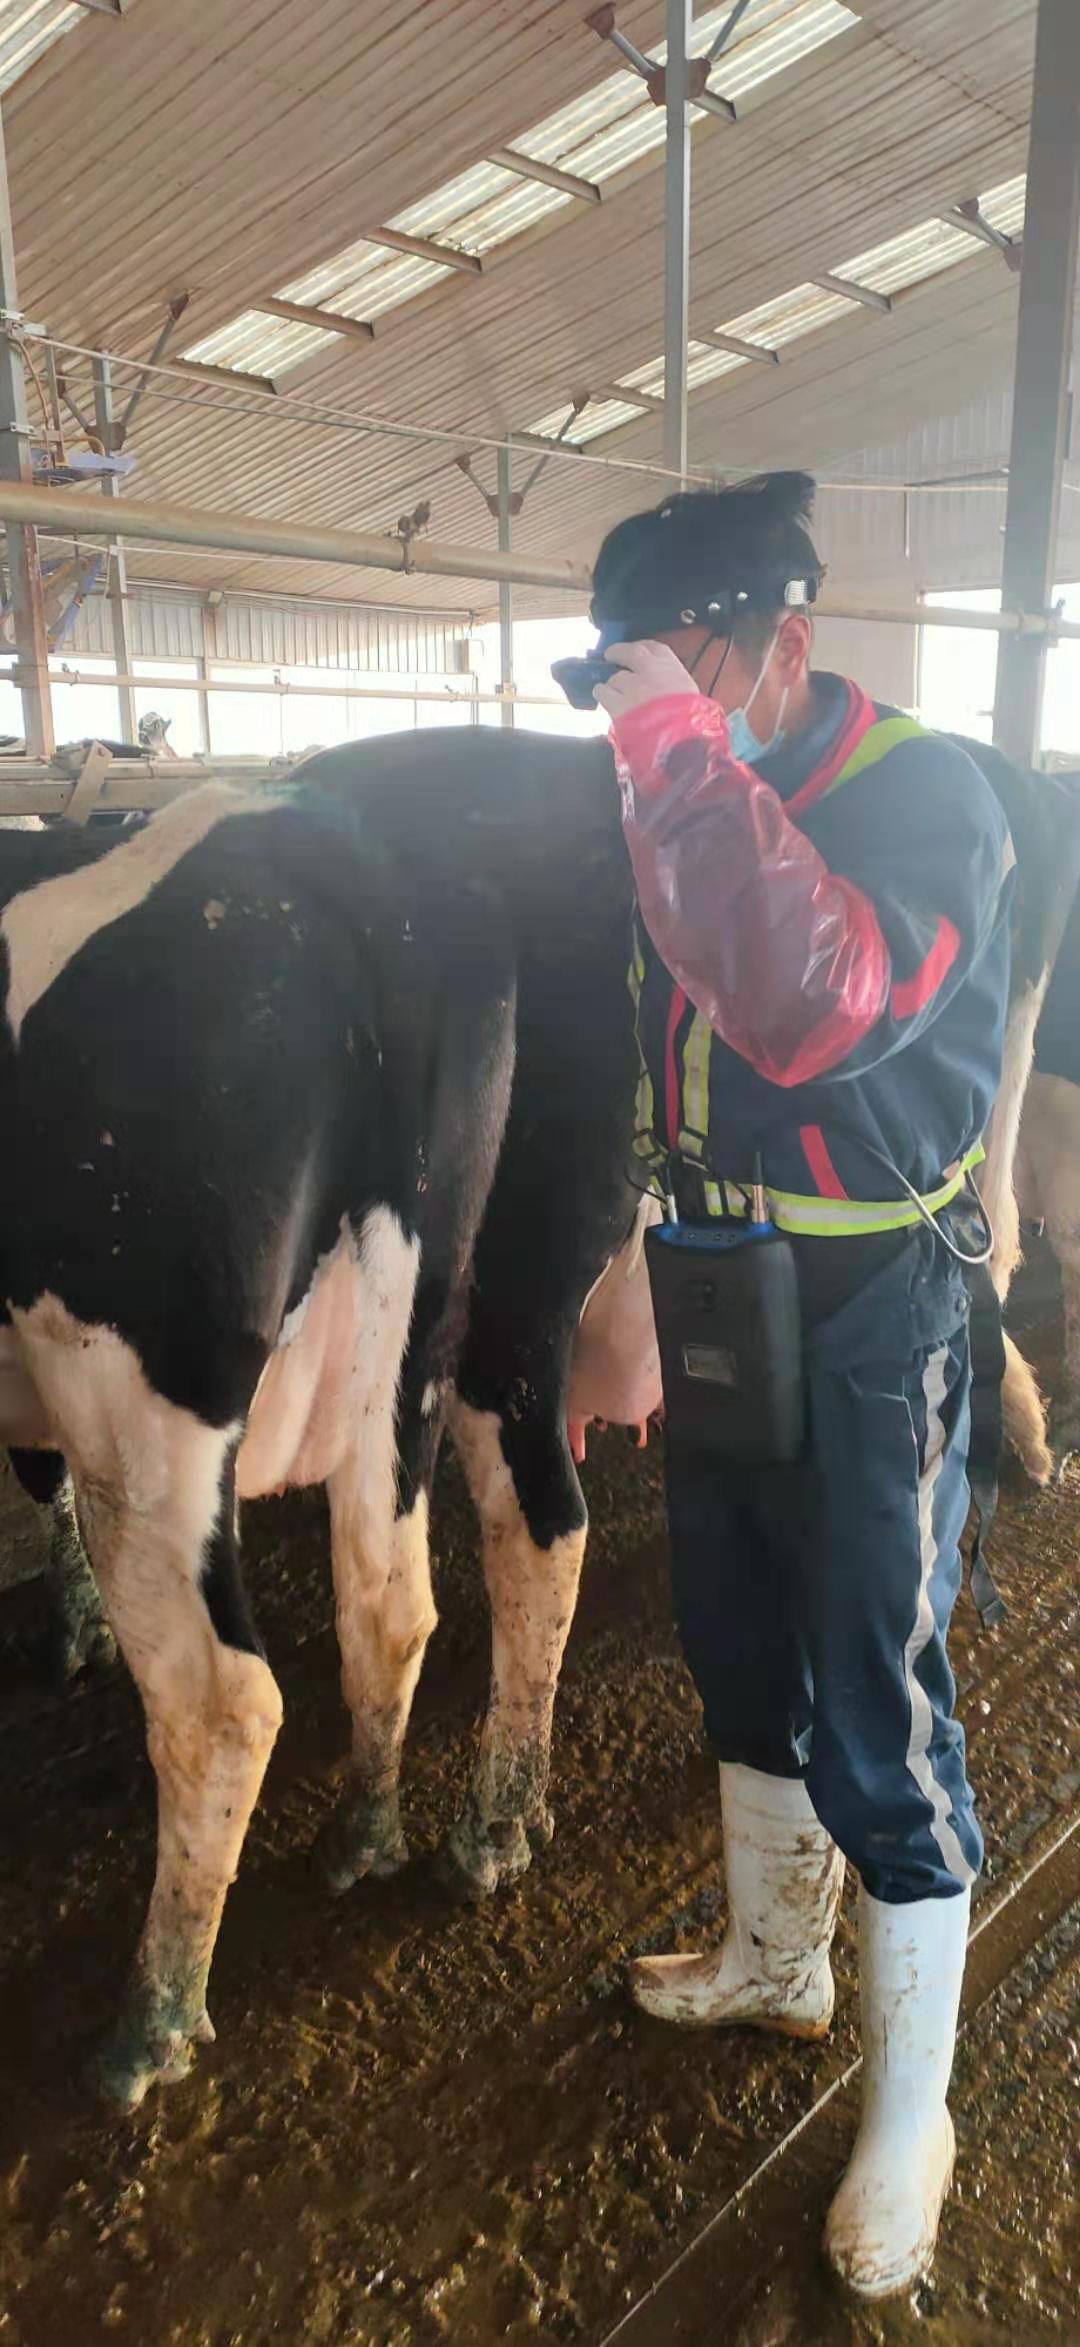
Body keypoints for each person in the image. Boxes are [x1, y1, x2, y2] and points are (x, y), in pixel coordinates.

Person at [587, 473, 1013, 2302]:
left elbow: (810, 998)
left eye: (680, 667)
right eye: (628, 684)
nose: (649, 713)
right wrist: (626, 1254)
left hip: (867, 1298)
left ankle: (912, 2107)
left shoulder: (926, 795)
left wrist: (674, 745)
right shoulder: (676, 795)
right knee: (737, 1635)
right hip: (711, 1274)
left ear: (784, 642)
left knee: (876, 1690)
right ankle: (779, 1957)